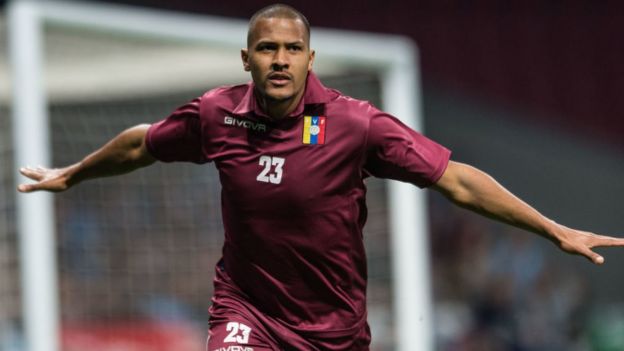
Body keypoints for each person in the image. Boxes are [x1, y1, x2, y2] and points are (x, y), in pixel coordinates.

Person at [17, 4, 624, 351]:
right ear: (246, 58)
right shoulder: (215, 114)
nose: (278, 59)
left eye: (291, 49)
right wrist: (73, 175)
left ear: (310, 58)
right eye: (266, 48)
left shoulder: (356, 125)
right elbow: (140, 144)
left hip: (334, 328)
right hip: (247, 310)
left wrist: (552, 229)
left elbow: (456, 181)